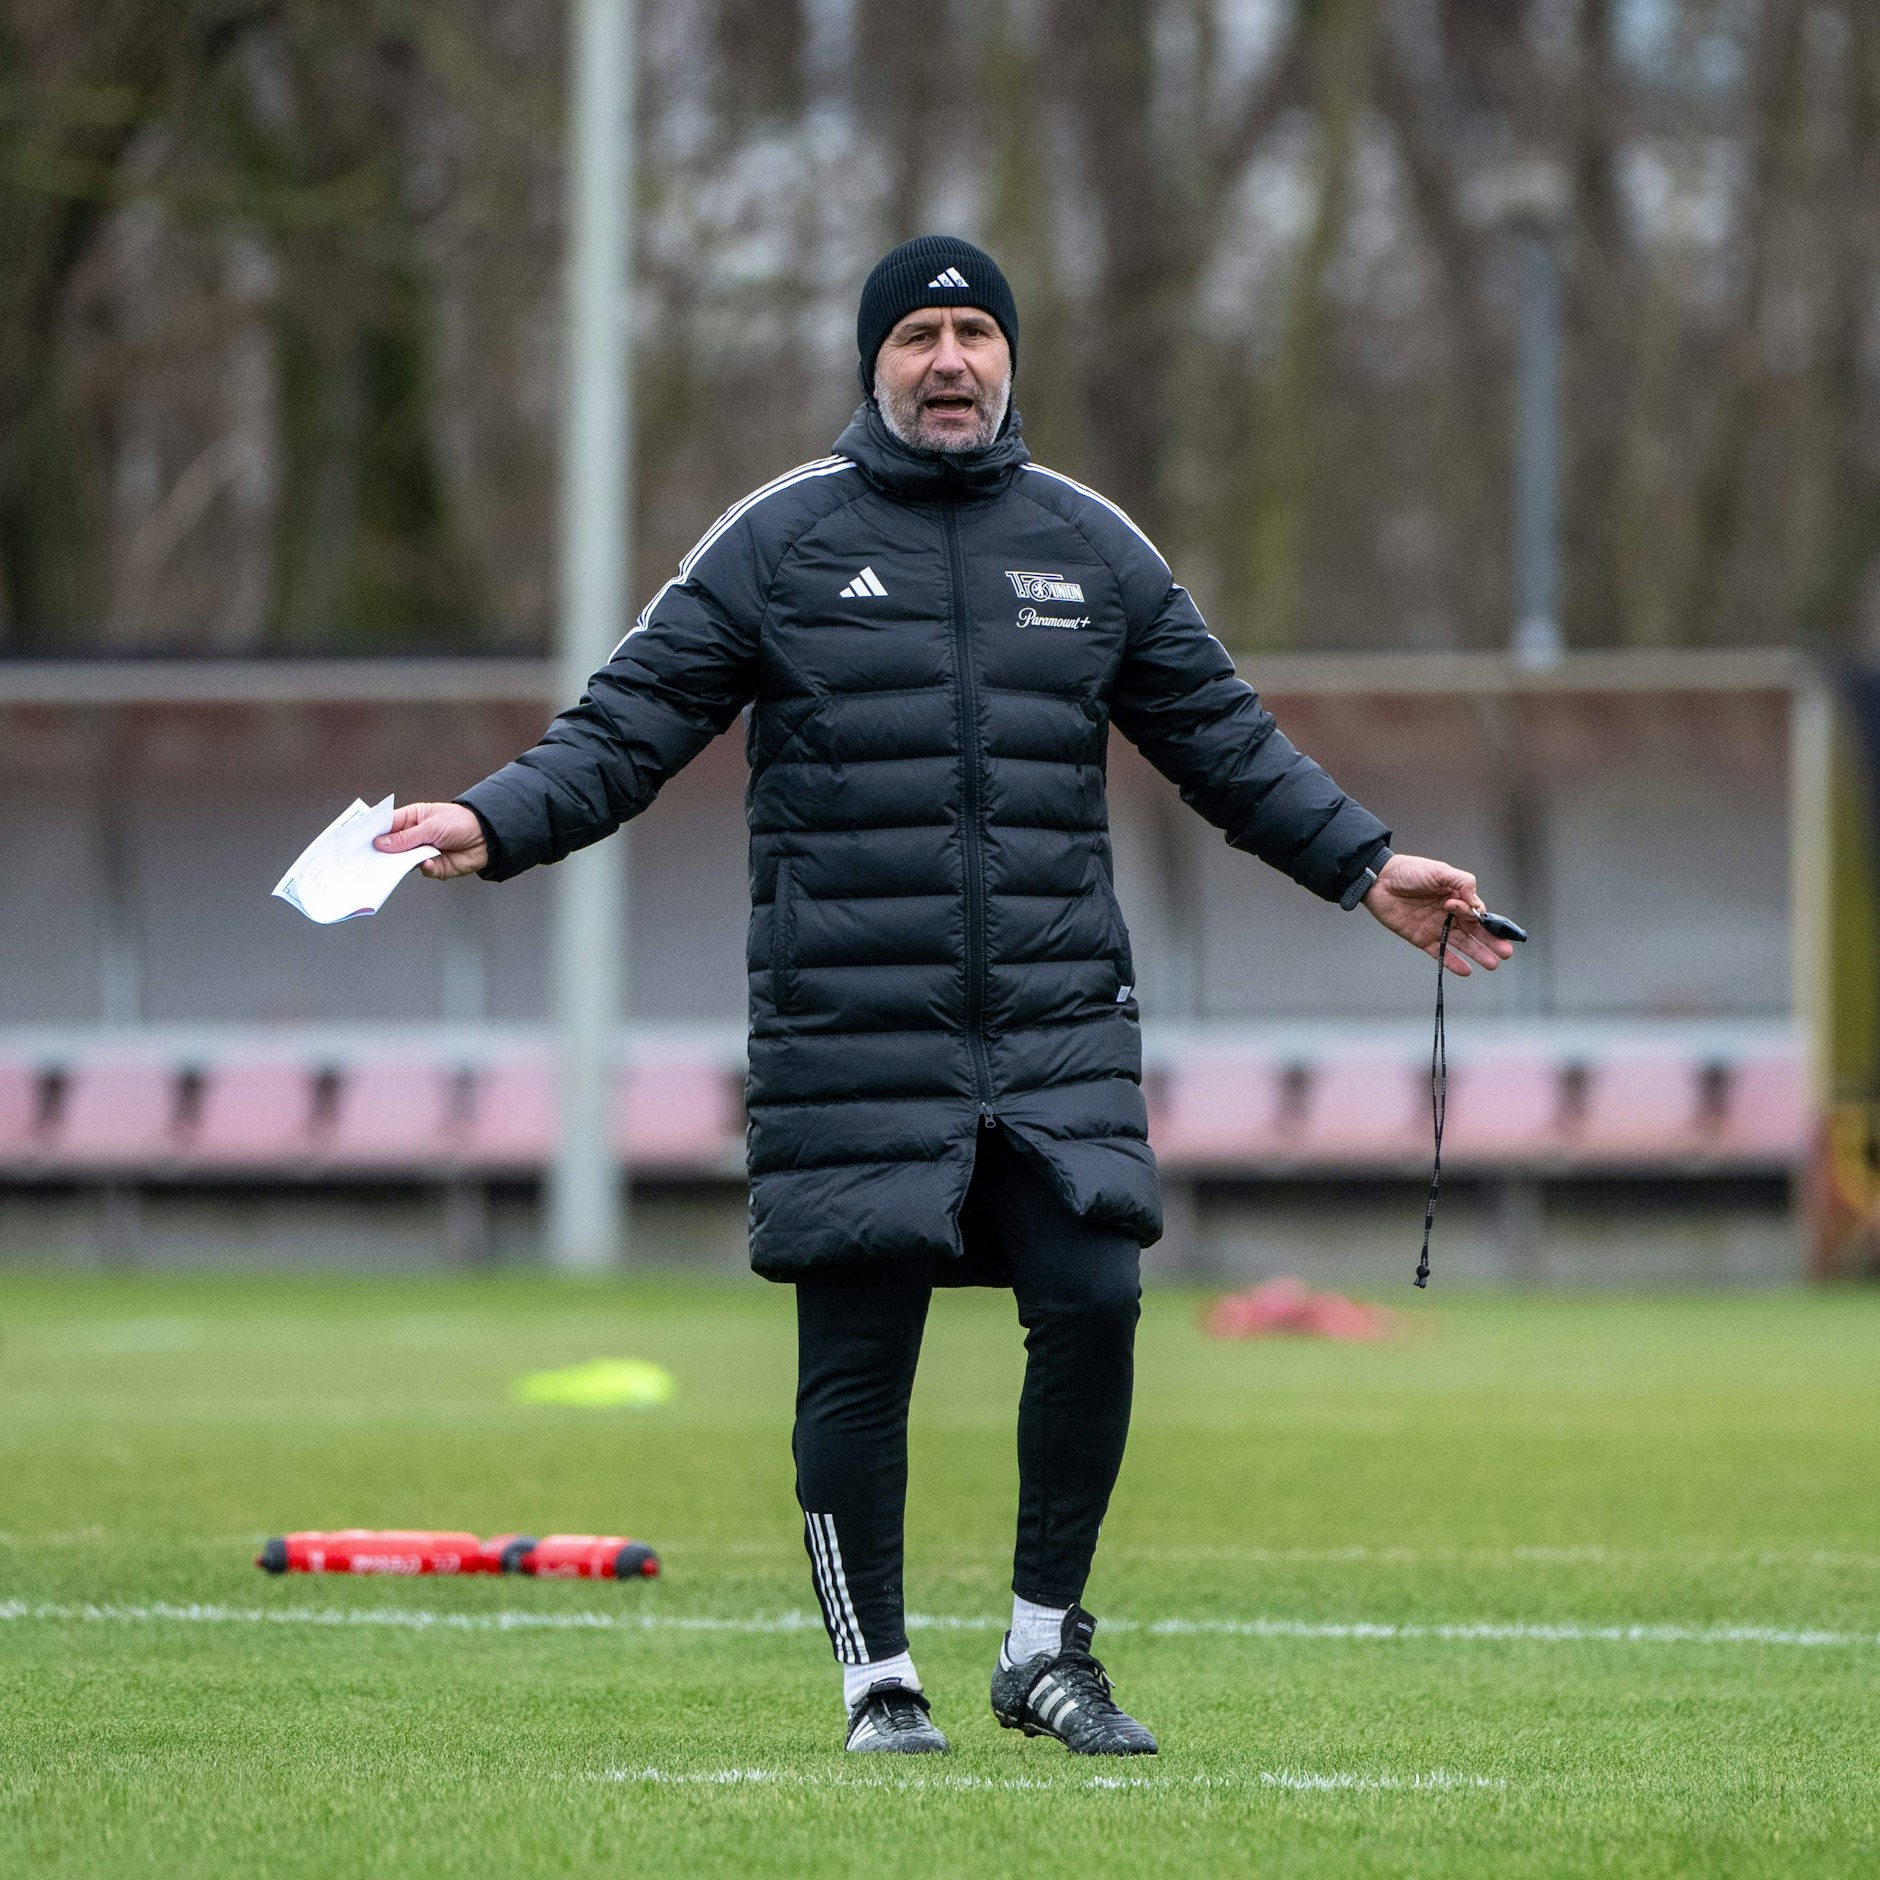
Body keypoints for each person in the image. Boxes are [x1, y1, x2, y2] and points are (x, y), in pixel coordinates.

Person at [379, 234, 1513, 1757]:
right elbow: (626, 722)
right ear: (874, 362)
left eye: (975, 330)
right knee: (860, 1354)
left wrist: (1369, 866)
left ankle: (1046, 1649)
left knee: (1098, 1300)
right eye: (918, 333)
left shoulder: (1091, 546)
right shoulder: (776, 540)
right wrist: (492, 818)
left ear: (1011, 358)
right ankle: (877, 1685)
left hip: (1052, 1019)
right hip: (852, 1020)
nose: (949, 359)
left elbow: (1226, 742)